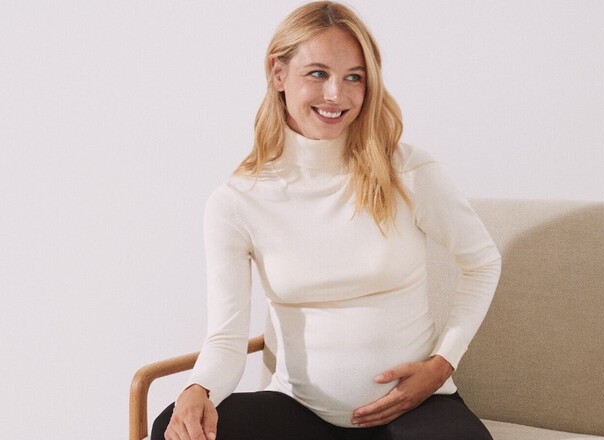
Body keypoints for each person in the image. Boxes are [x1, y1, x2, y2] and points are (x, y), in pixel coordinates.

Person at [152, 2, 501, 439]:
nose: (336, 94)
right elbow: (226, 339)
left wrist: (440, 365)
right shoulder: (237, 202)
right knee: (172, 427)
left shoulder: (409, 172)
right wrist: (197, 389)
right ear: (279, 73)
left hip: (416, 407)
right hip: (299, 413)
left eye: (354, 77)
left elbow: (482, 262)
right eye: (318, 73)